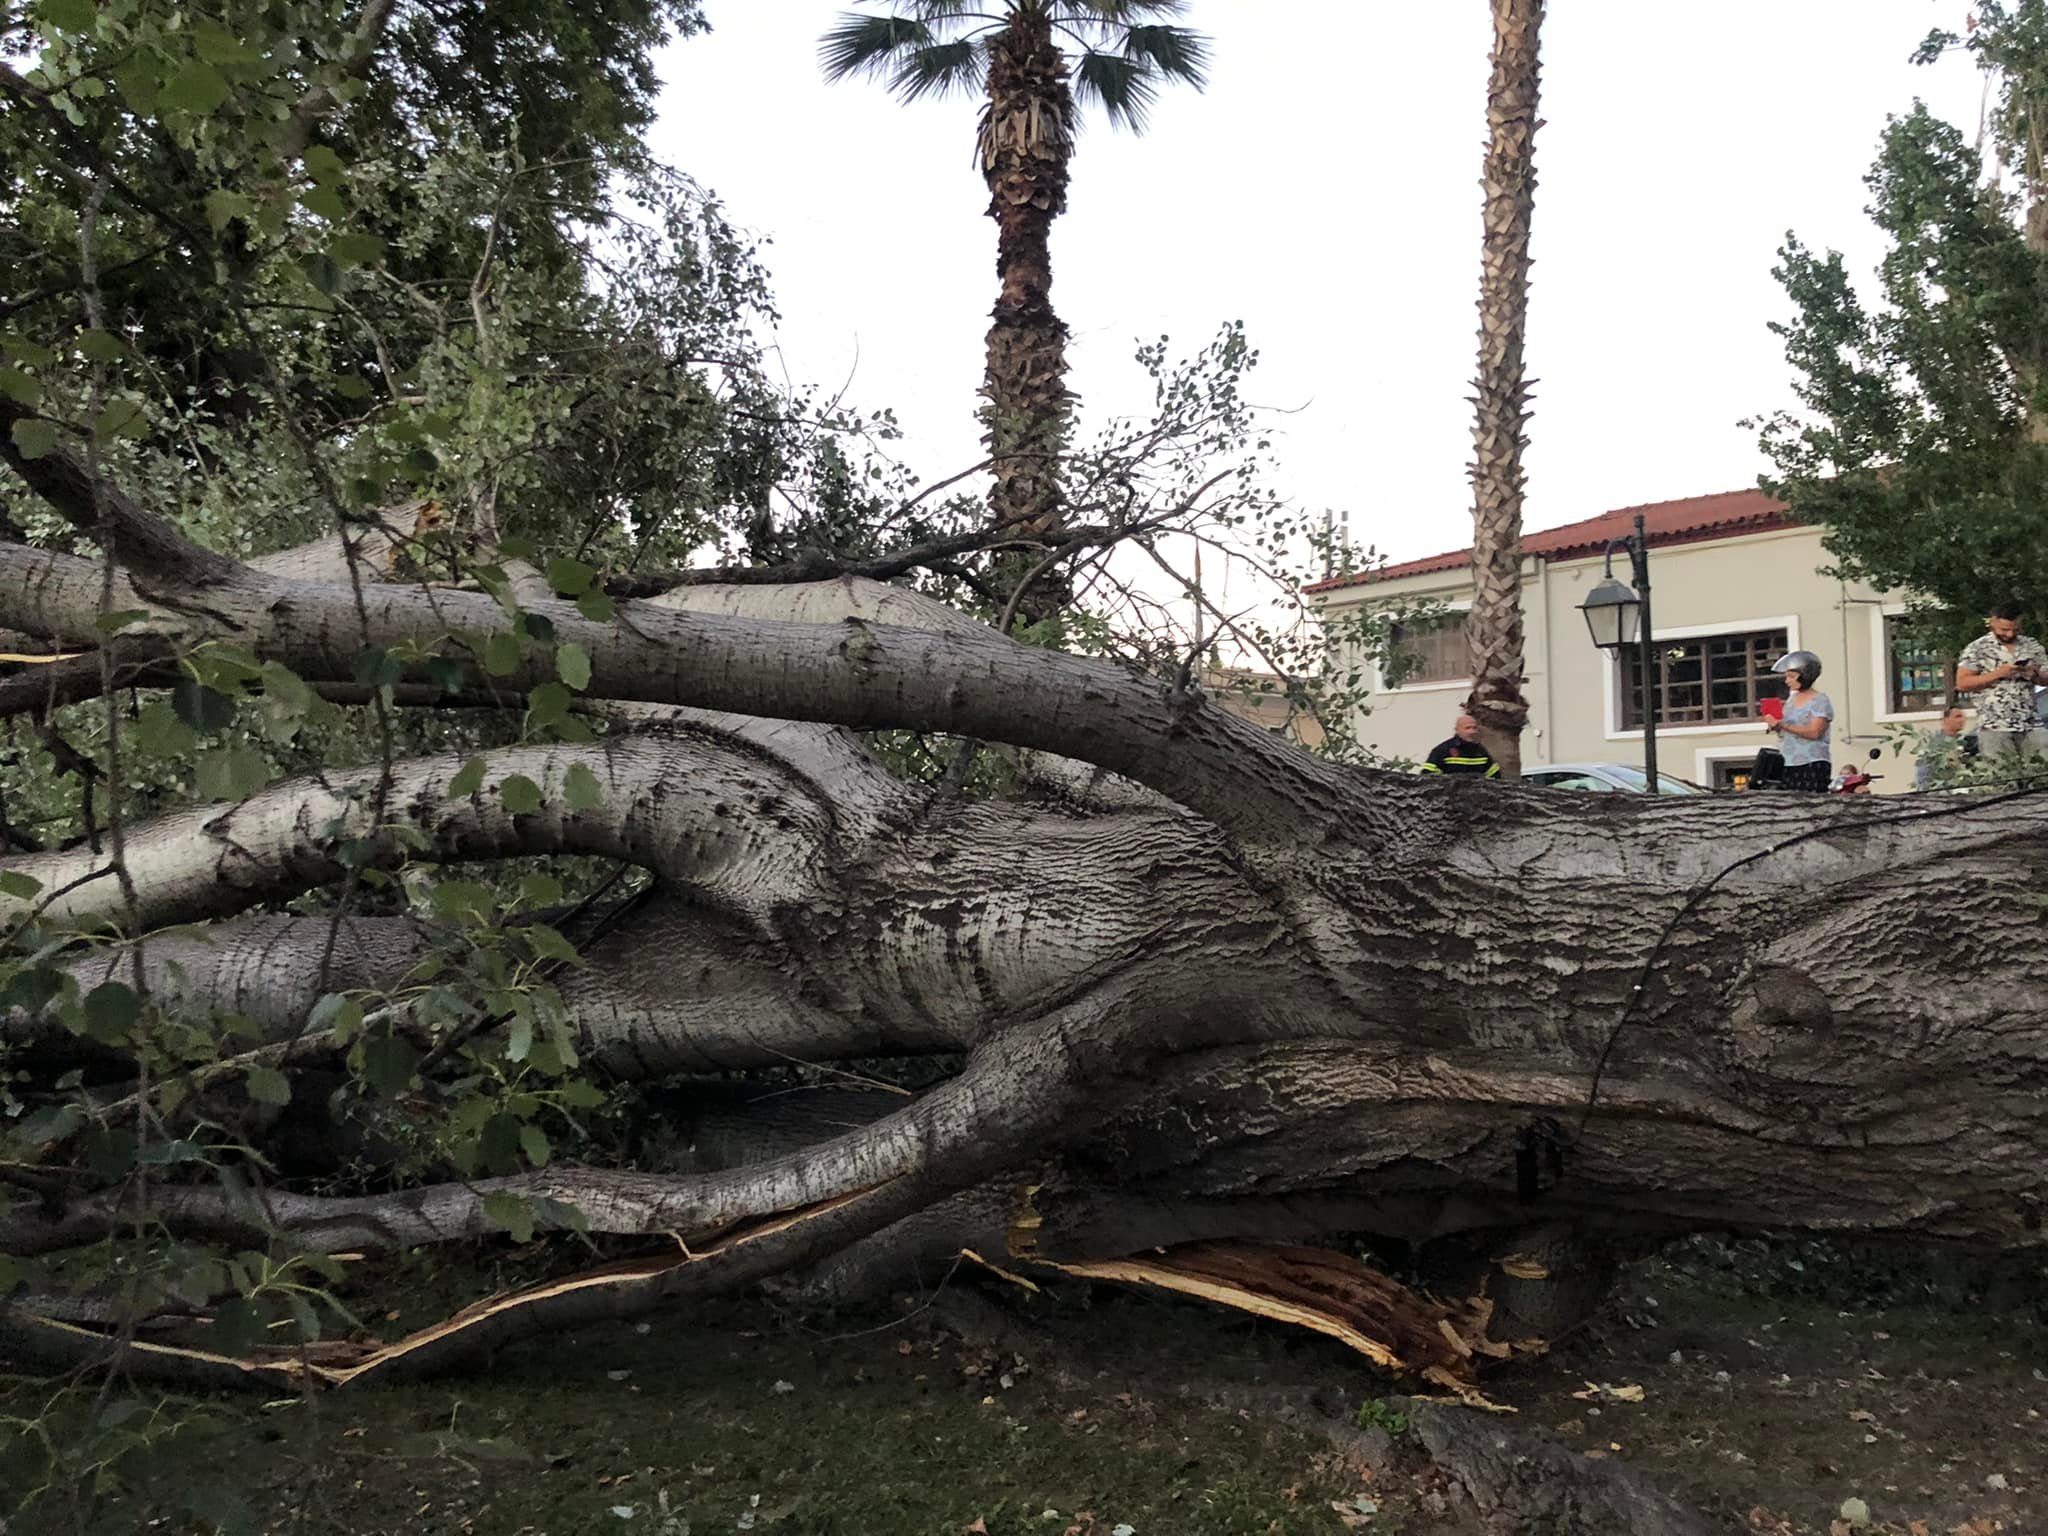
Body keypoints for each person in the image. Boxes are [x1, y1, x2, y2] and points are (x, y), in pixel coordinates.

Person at [1955, 603, 2048, 758]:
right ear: (1993, 622)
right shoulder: (1977, 648)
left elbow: (2046, 678)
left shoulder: (2031, 645)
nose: (2010, 634)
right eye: (2004, 630)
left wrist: (2034, 674)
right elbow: (1962, 683)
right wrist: (1998, 673)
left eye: (2015, 629)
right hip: (1995, 726)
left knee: (2040, 772)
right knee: (2003, 775)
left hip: (2031, 723)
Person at [1763, 649, 1832, 791]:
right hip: (1788, 761)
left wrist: (1784, 725)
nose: (1787, 681)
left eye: (1792, 676)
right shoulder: (1791, 700)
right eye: (1786, 676)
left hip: (1811, 761)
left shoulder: (1819, 700)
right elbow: (1786, 729)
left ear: (1805, 676)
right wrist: (1775, 725)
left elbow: (1815, 732)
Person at [1914, 704, 1978, 789]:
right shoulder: (1934, 744)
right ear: (1945, 720)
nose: (1962, 720)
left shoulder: (1964, 742)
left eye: (1963, 717)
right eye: (1957, 717)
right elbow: (1923, 774)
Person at [1421, 713, 1501, 777]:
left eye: (1474, 728)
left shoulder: (1481, 751)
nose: (1472, 731)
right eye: (1467, 728)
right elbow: (1428, 777)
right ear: (1457, 730)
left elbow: (1494, 776)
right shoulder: (1443, 750)